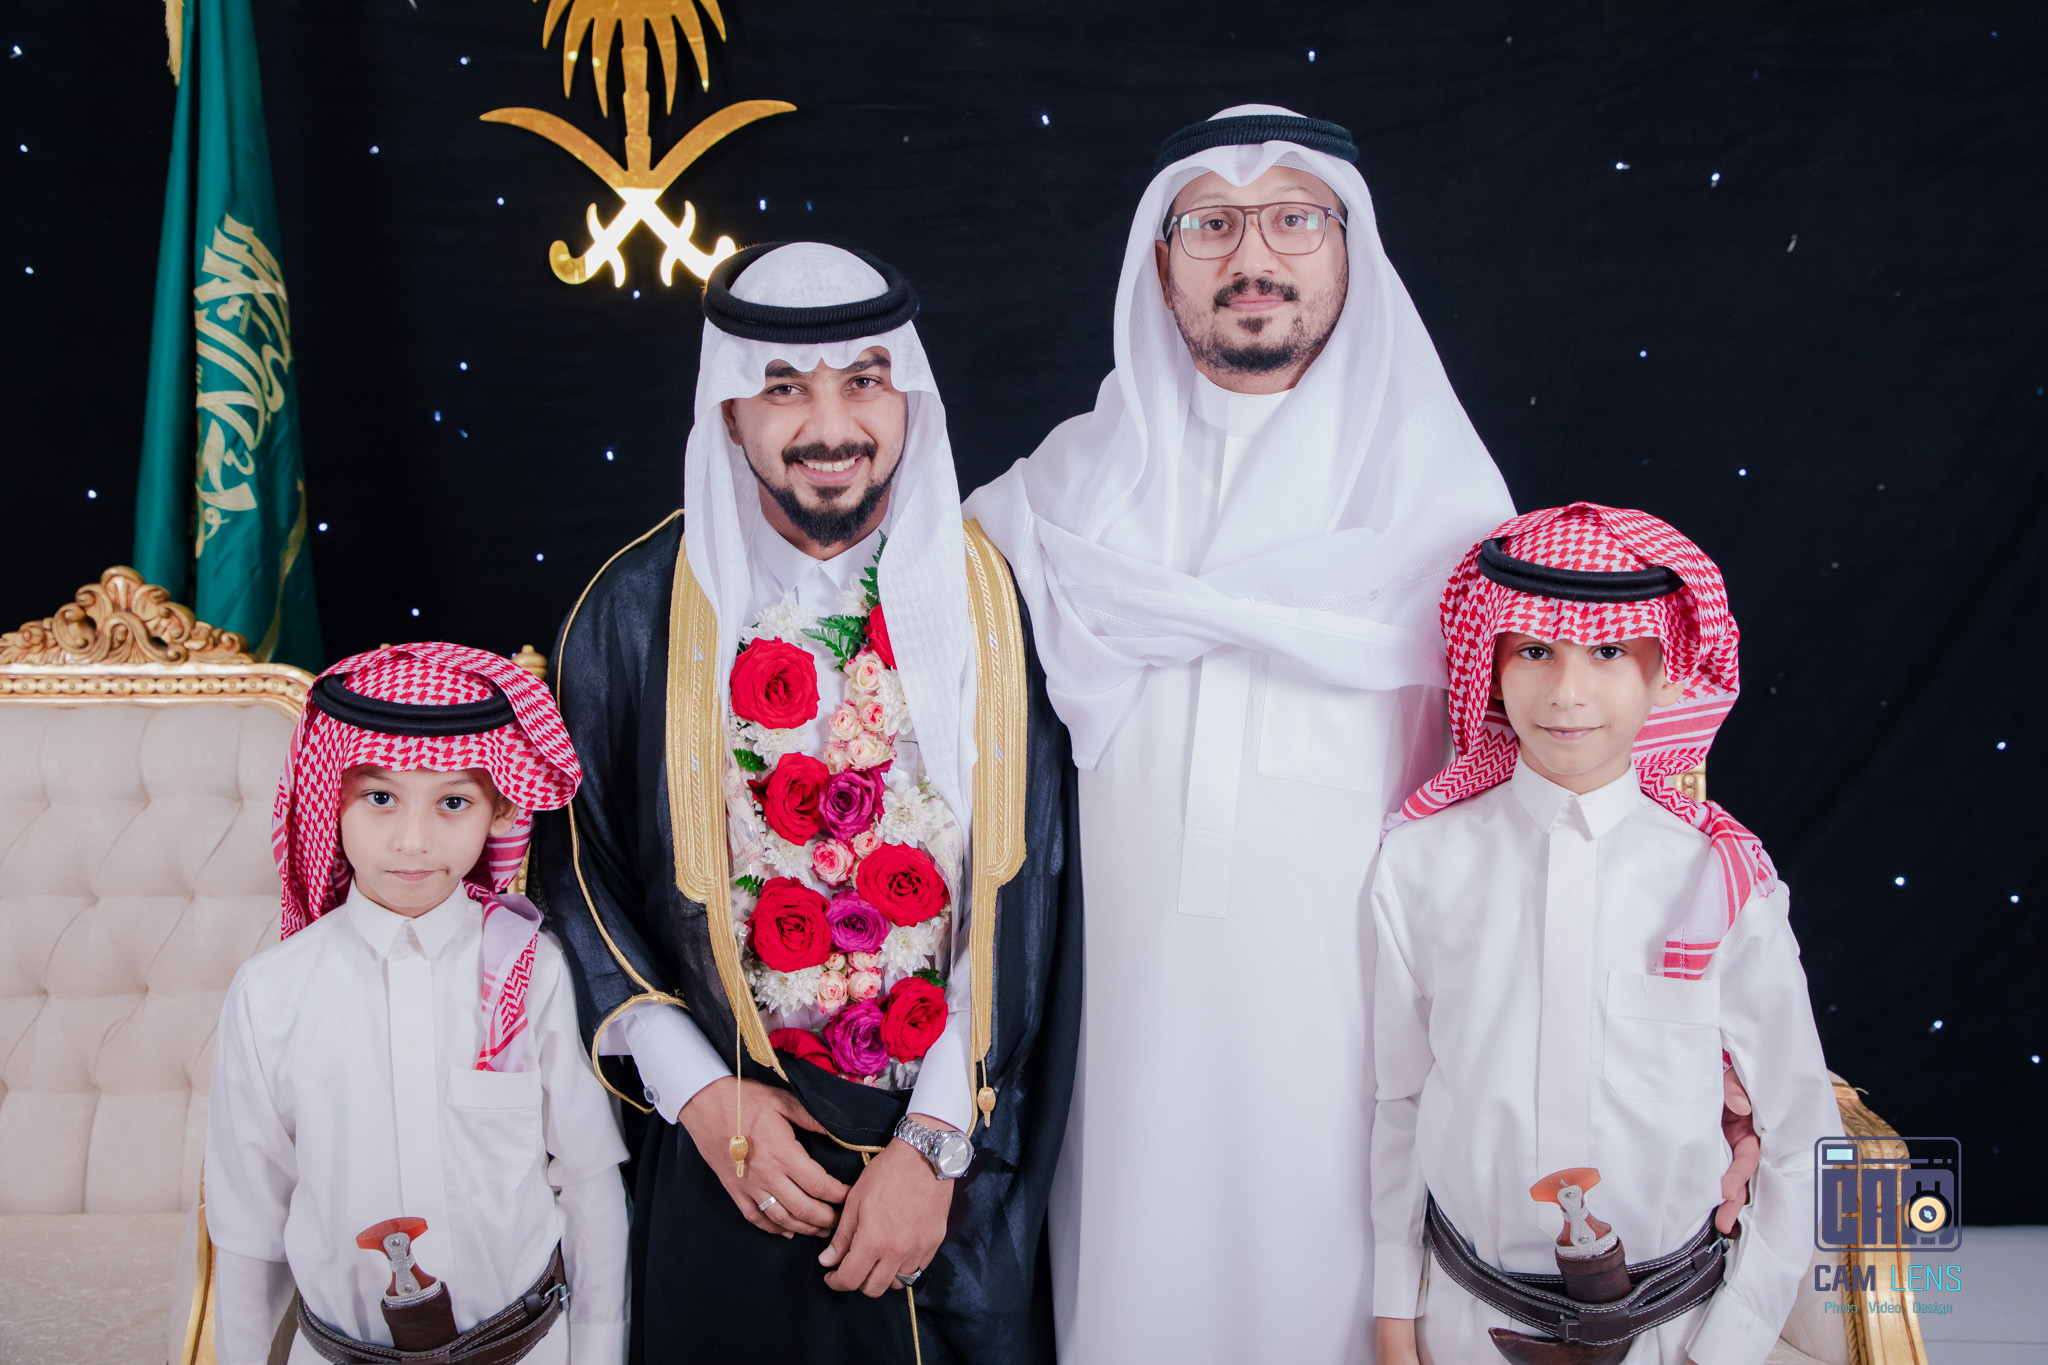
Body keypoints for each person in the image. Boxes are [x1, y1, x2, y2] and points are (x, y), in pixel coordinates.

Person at [964, 105, 1517, 1361]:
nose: (1250, 256)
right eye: (1209, 224)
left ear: (1347, 249)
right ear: (1159, 263)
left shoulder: (1446, 508)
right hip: (1120, 1031)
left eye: (1291, 221)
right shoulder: (1050, 499)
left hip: (1353, 1038)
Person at [531, 242, 1082, 1365]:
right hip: (731, 1156)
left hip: (950, 1175)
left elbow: (1028, 895)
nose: (831, 427)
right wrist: (701, 1096)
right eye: (784, 388)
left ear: (907, 395)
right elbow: (580, 876)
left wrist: (933, 1144)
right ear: (729, 411)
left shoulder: (991, 605)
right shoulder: (634, 610)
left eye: (863, 381)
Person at [1368, 503, 1837, 1365]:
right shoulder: (1420, 864)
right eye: (1535, 651)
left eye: (1610, 651)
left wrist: (1727, 1345)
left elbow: (1806, 1135)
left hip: (1677, 1333)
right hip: (1466, 1324)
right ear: (1489, 665)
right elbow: (1398, 1099)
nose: (1568, 691)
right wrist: (1395, 1309)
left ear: (1669, 673)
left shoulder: (1721, 880)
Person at [205, 643, 629, 1365]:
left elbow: (589, 1182)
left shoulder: (534, 973)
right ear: (328, 798)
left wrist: (597, 1353)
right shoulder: (270, 993)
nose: (413, 839)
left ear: (500, 808)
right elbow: (250, 1224)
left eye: (453, 802)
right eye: (380, 797)